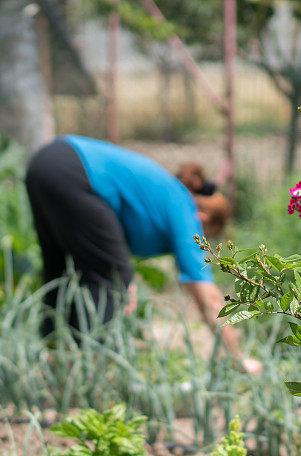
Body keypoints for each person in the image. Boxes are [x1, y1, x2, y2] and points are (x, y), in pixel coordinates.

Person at [25, 135, 261, 374]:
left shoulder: (167, 194)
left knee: (60, 271)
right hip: (75, 170)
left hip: (44, 163)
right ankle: (93, 378)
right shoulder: (185, 211)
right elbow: (207, 296)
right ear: (204, 220)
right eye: (208, 236)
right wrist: (237, 357)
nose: (203, 242)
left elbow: (103, 246)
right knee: (111, 279)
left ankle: (55, 364)